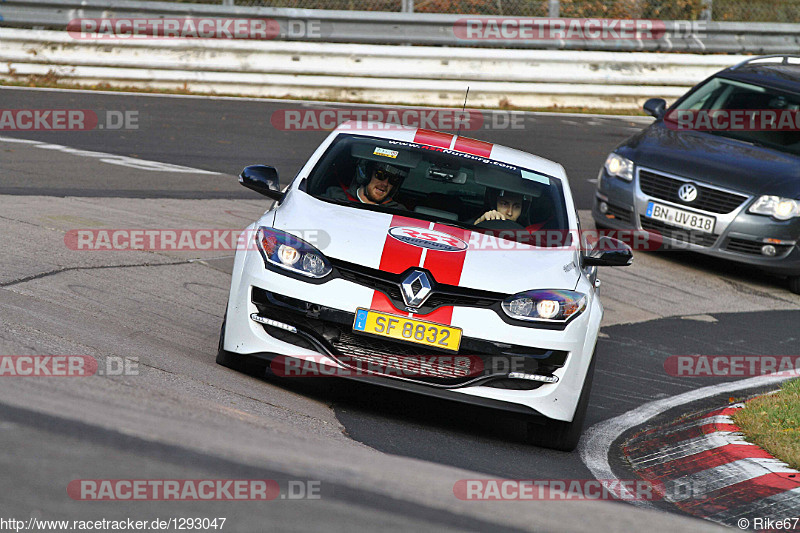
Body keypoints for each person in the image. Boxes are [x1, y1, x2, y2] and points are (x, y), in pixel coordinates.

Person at [326, 160, 407, 209]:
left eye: (393, 180)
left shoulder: (398, 212)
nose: (385, 184)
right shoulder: (334, 197)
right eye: (380, 175)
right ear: (366, 175)